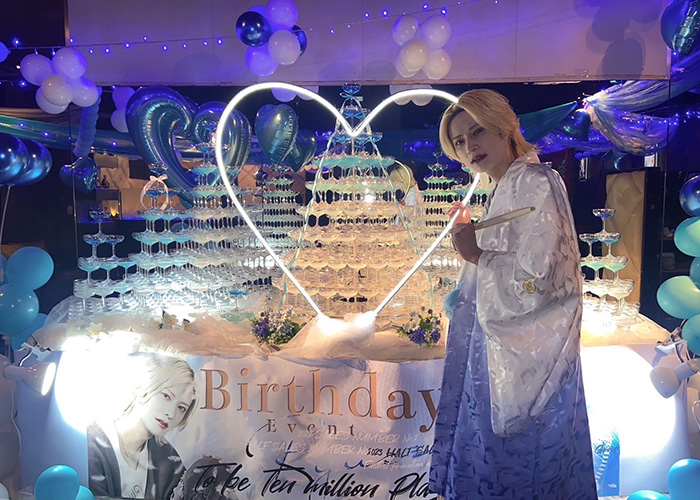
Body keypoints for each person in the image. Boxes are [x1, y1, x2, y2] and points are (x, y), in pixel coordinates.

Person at [429, 89, 597, 500]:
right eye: (460, 141)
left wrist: (476, 256)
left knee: (524, 464)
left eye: (477, 131)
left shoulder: (536, 182)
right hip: (495, 345)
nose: (470, 146)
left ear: (504, 127)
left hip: (523, 355)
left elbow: (540, 280)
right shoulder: (506, 185)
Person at [87, 354, 198, 499]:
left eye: (181, 408)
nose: (171, 413)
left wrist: (209, 473)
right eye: (166, 396)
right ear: (144, 388)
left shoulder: (168, 458)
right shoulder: (91, 441)